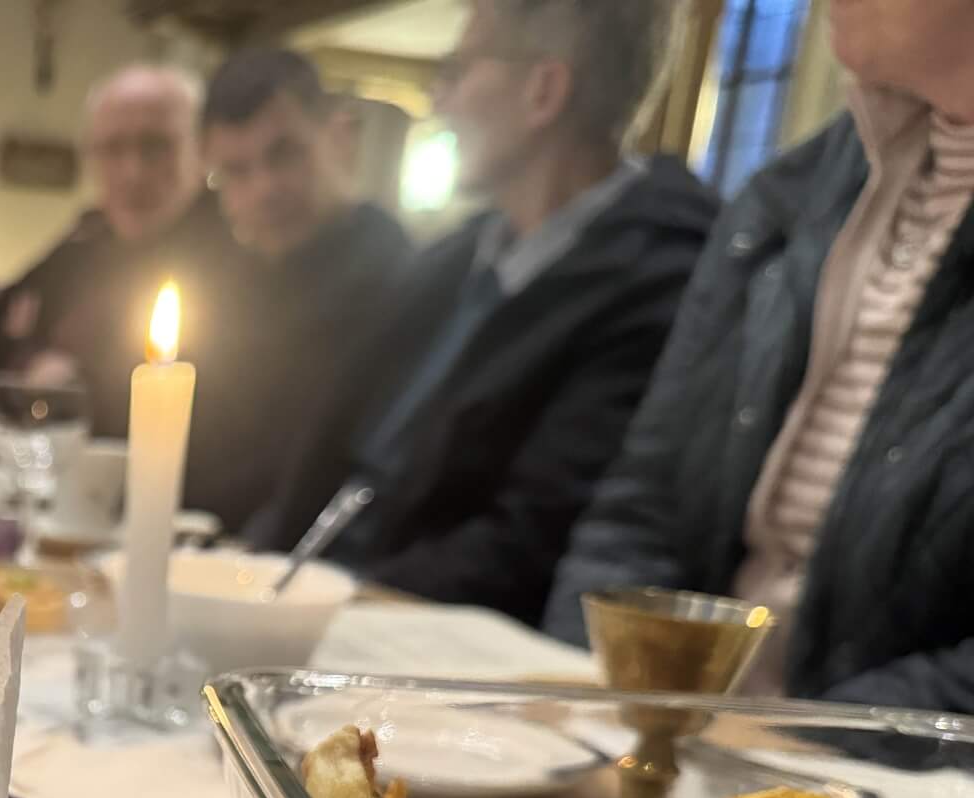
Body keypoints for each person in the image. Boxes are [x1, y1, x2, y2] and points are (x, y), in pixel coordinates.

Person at [546, 0, 974, 712]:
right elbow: (642, 502)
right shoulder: (789, 195)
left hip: (884, 788)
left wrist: (800, 740)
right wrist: (598, 702)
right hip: (676, 739)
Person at [248, 0, 715, 627]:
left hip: (413, 633)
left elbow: (525, 541)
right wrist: (248, 568)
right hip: (320, 595)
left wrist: (335, 604)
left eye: (457, 71)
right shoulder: (453, 258)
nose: (438, 101)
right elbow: (326, 455)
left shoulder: (657, 282)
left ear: (542, 92)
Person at [182, 50, 413, 537]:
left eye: (284, 154)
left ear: (341, 138)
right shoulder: (224, 280)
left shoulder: (399, 278)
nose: (264, 188)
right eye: (237, 172)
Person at [0, 64, 233, 435]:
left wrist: (73, 377)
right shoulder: (90, 236)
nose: (133, 171)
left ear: (202, 149)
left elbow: (213, 389)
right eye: (113, 149)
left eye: (156, 146)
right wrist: (30, 356)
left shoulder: (233, 244)